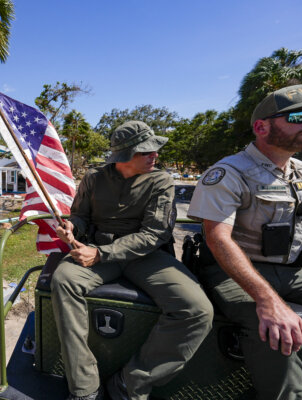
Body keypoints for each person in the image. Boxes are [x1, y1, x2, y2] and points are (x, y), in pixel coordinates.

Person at [53, 121, 213, 400]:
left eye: (154, 150)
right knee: (63, 280)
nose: (155, 155)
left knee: (197, 310)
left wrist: (101, 254)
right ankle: (84, 388)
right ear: (124, 156)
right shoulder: (94, 178)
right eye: (146, 151)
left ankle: (131, 382)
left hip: (145, 257)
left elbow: (154, 234)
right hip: (98, 251)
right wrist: (71, 227)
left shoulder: (160, 181)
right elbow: (80, 215)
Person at [188, 84, 302, 399]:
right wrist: (268, 300)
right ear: (261, 127)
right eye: (301, 116)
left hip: (296, 270)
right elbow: (217, 238)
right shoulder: (229, 172)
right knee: (274, 331)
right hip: (234, 271)